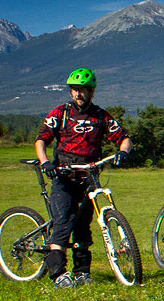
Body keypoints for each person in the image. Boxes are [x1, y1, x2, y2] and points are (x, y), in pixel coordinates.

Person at [34, 68, 131, 288]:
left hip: (90, 177)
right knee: (63, 223)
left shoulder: (100, 116)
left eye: (83, 90)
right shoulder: (61, 113)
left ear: (91, 91)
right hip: (64, 175)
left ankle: (81, 273)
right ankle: (58, 274)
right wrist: (45, 162)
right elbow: (41, 140)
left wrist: (123, 152)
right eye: (75, 90)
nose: (78, 94)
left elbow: (124, 138)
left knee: (83, 226)